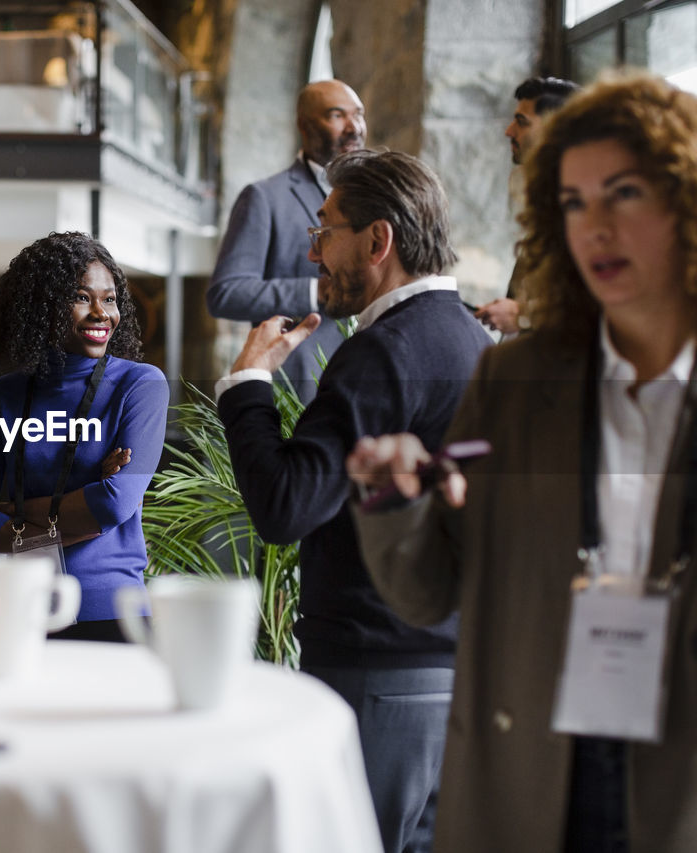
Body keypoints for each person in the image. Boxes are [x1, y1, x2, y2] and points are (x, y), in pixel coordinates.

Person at [347, 74, 697, 853]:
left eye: (624, 194)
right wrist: (395, 499)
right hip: (530, 768)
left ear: (693, 202)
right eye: (574, 202)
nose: (596, 227)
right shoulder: (514, 380)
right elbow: (429, 590)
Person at [216, 149, 490, 853]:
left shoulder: (382, 353)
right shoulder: (471, 340)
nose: (313, 249)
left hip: (375, 673)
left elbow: (285, 505)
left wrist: (247, 388)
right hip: (448, 671)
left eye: (326, 228)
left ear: (378, 240)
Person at [0, 231, 168, 642]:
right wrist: (79, 506)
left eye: (109, 299)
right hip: (18, 609)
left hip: (112, 612)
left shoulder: (140, 385)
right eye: (82, 297)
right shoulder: (5, 393)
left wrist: (10, 508)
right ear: (43, 307)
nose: (101, 313)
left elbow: (114, 502)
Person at [208, 79, 367, 404]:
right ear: (304, 126)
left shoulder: (378, 198)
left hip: (371, 379)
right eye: (338, 115)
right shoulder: (264, 198)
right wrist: (316, 291)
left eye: (359, 114)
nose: (354, 127)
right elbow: (225, 293)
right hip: (302, 390)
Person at [476, 75, 579, 335]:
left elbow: (600, 302)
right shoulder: (547, 200)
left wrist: (523, 315)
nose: (509, 131)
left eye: (521, 122)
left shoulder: (583, 208)